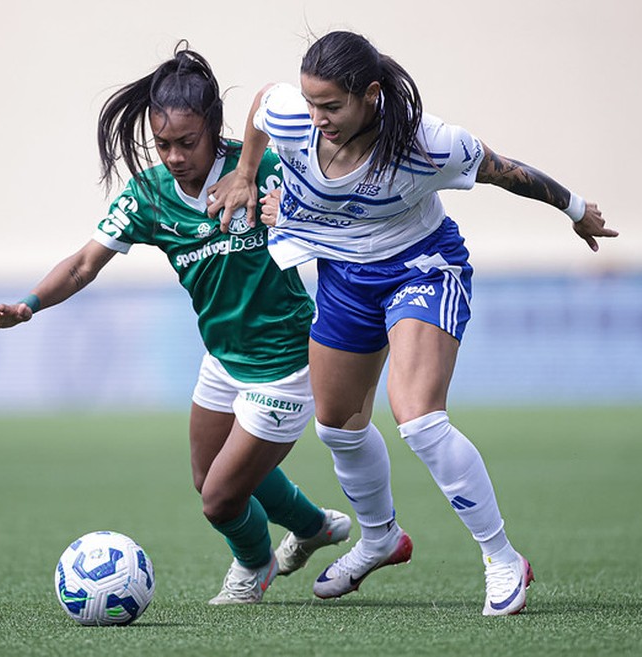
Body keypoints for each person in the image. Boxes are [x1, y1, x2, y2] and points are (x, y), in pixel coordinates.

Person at [207, 30, 619, 615]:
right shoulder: (294, 116)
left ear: (370, 95)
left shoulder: (429, 145)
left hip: (422, 268)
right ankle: (380, 539)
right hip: (347, 276)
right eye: (310, 103)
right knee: (337, 426)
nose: (316, 117)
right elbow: (260, 109)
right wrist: (247, 172)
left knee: (418, 416)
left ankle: (502, 557)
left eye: (331, 106)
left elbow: (507, 170)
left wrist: (577, 211)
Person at [0, 44, 350, 605]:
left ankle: (254, 567)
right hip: (223, 359)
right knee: (207, 476)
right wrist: (29, 304)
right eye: (163, 144)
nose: (174, 156)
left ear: (214, 130)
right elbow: (83, 263)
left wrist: (285, 206)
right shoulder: (149, 196)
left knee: (220, 500)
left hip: (284, 365)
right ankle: (313, 526)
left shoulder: (266, 168)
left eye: (187, 143)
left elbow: (290, 118)